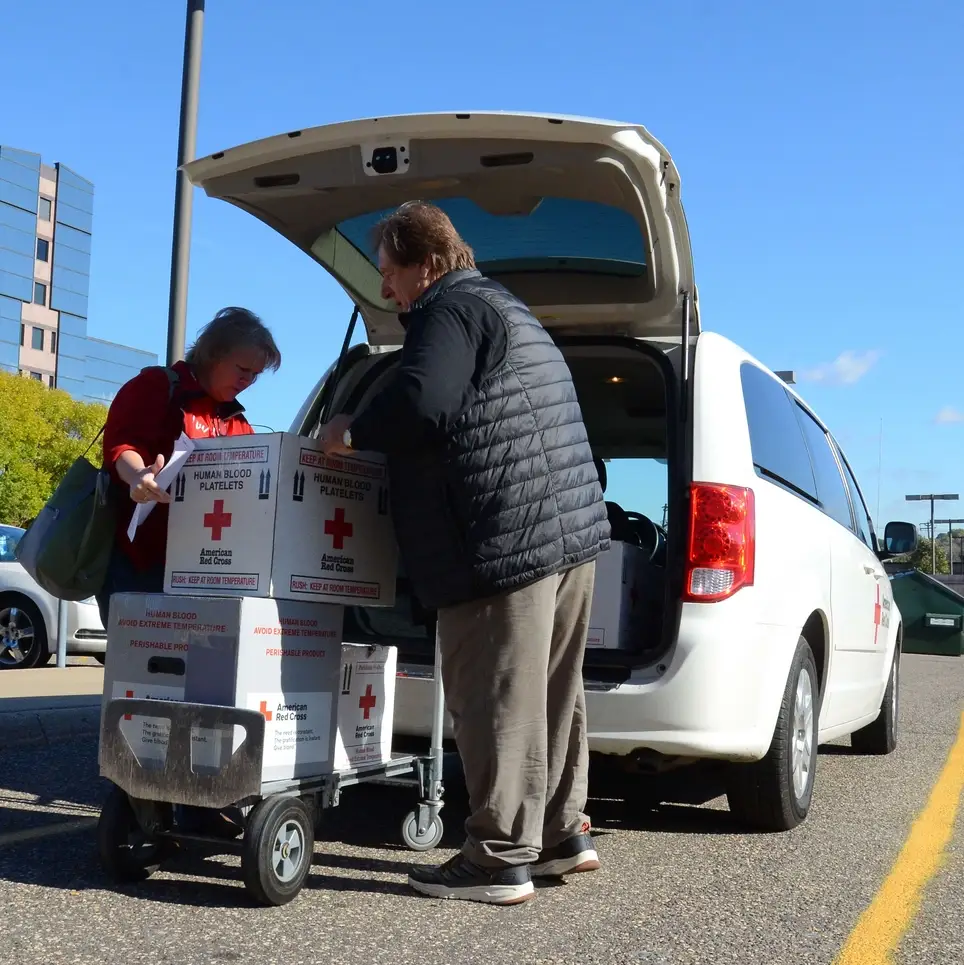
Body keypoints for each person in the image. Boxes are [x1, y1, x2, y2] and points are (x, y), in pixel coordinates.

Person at [320, 202, 610, 905]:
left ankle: (499, 857)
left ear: (426, 263)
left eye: (390, 273)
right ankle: (560, 833)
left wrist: (352, 435)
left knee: (494, 696)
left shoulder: (449, 309)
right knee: (551, 689)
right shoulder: (506, 307)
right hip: (566, 530)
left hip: (499, 537)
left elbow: (425, 399)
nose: (387, 289)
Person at [96, 307, 281, 628]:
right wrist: (138, 476)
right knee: (141, 672)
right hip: (139, 568)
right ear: (212, 354)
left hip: (206, 577)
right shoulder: (157, 386)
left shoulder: (237, 423)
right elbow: (122, 446)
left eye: (255, 374)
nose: (248, 380)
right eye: (242, 369)